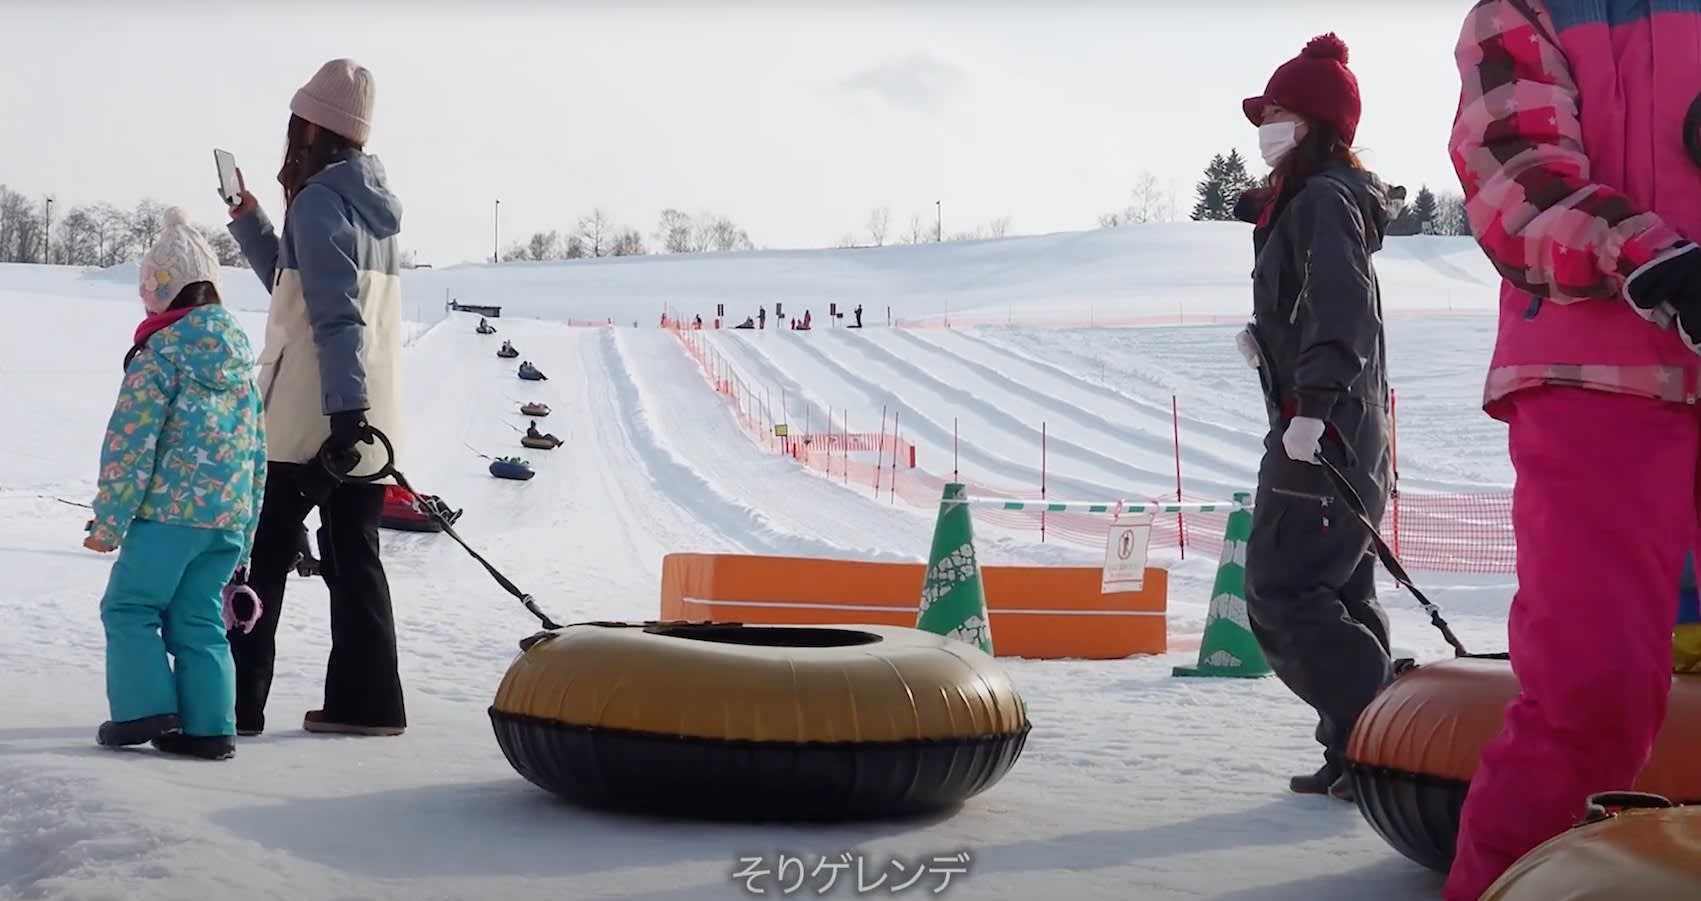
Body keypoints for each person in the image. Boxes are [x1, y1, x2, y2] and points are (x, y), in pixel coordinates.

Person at [1444, 2, 1701, 895]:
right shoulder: (1530, 10)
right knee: (1594, 688)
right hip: (1595, 375)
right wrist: (1651, 258)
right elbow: (1513, 174)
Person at [1232, 33, 1400, 802]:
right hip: (1344, 430)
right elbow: (1312, 309)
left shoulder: (1324, 200)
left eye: (1276, 115)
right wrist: (1267, 347)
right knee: (1341, 591)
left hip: (1324, 432)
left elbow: (1341, 310)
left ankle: (1385, 724)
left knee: (1282, 590)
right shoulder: (1309, 201)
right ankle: (1361, 752)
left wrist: (1313, 407)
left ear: (1314, 124)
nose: (1264, 130)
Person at [225, 58, 408, 738]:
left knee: (262, 551)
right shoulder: (371, 207)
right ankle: (370, 703)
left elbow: (332, 315)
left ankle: (233, 701)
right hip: (366, 410)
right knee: (354, 555)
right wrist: (250, 222)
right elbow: (297, 287)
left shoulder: (318, 200)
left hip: (311, 412)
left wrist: (341, 415)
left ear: (311, 126)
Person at [88, 208, 267, 761]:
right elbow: (257, 456)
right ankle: (210, 728)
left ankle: (143, 710)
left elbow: (130, 444)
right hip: (225, 522)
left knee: (129, 606)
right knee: (197, 617)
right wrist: (245, 538)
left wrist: (109, 521)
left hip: (167, 517)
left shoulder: (160, 355)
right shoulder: (240, 366)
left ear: (162, 291)